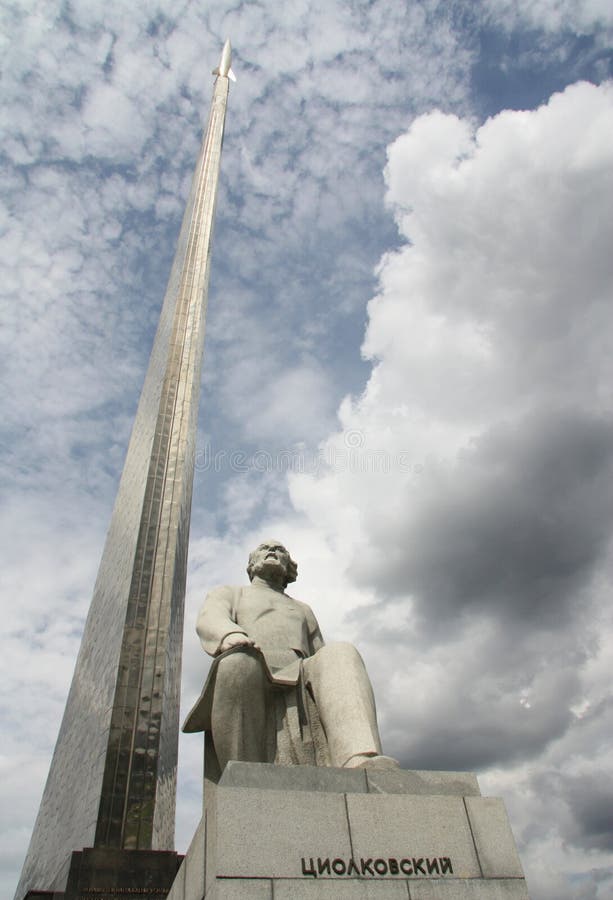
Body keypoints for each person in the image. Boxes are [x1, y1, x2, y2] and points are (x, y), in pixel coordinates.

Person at [183, 540, 397, 775]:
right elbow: (210, 617)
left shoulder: (303, 609)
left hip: (300, 668)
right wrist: (229, 634)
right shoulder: (233, 593)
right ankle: (243, 772)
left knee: (341, 652)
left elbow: (319, 651)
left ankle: (358, 758)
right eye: (265, 549)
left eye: (281, 550)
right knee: (236, 664)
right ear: (251, 564)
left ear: (289, 567)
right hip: (255, 660)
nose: (273, 551)